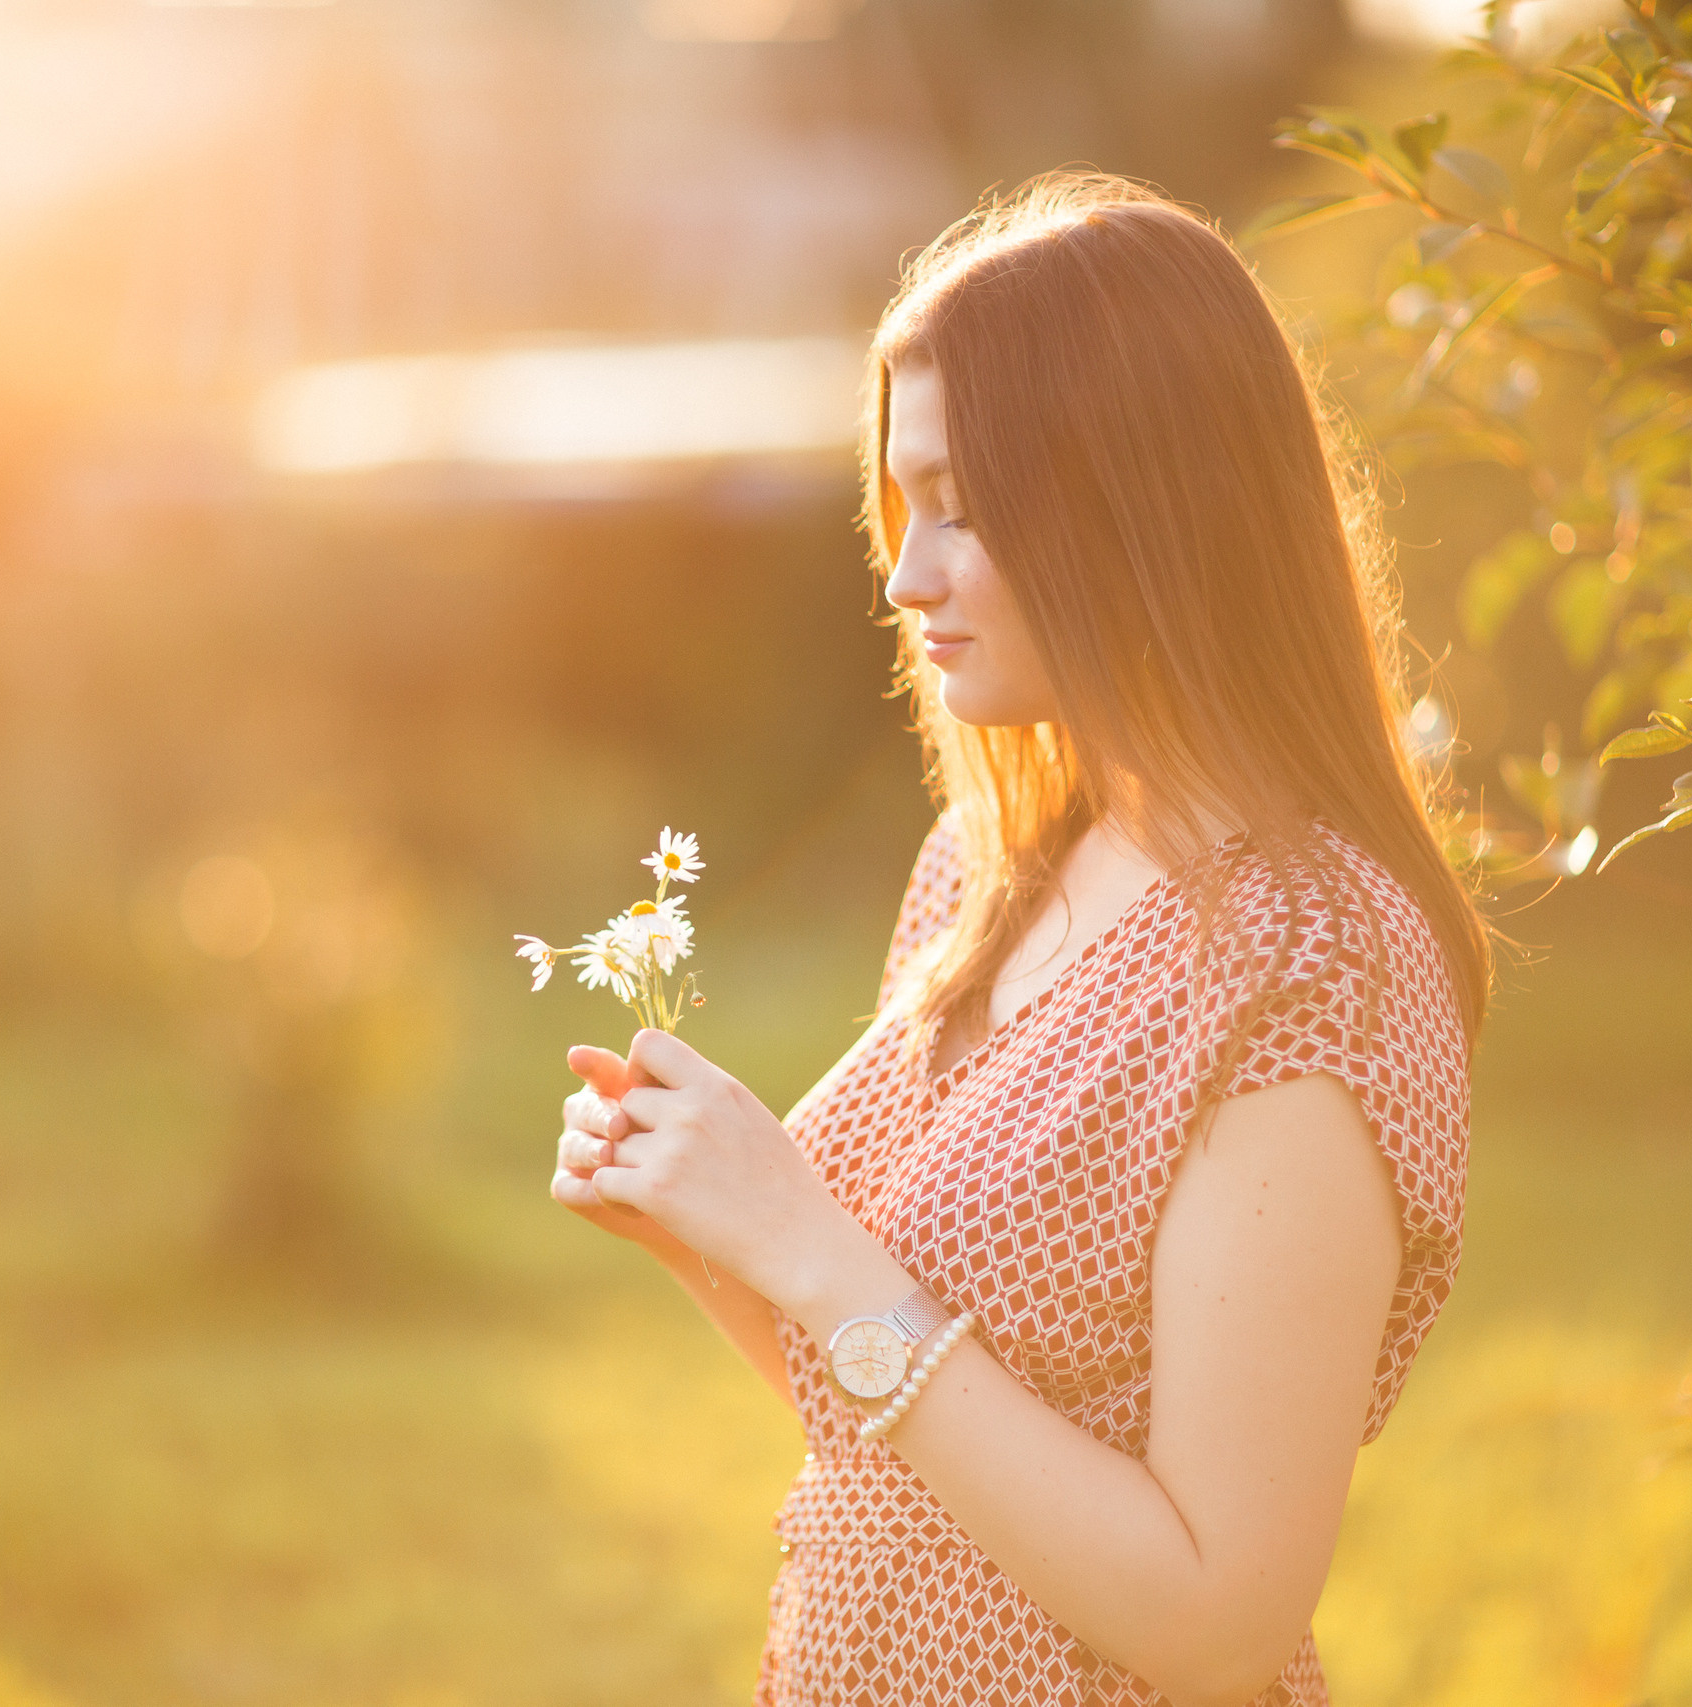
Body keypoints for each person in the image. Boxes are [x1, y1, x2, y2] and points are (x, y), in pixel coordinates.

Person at [546, 171, 1490, 1707]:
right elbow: (904, 1425)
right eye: (907, 503)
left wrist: (801, 1237)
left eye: (972, 510)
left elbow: (1215, 1621)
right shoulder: (999, 870)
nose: (909, 574)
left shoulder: (1312, 961)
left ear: (1148, 514)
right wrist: (711, 1235)